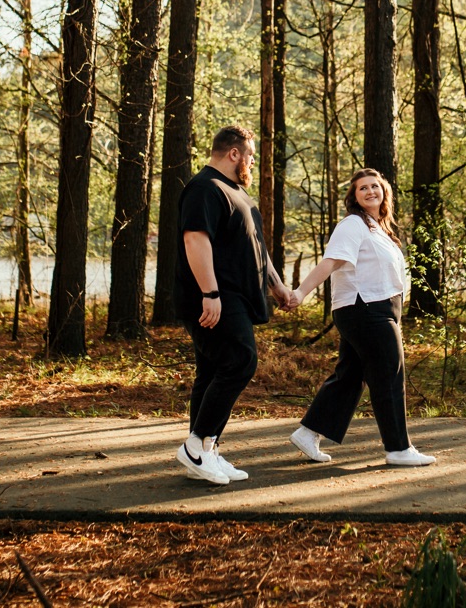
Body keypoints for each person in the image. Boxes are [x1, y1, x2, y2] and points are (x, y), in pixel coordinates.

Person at [284, 168, 436, 467]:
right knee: (389, 373)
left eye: (374, 186)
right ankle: (398, 448)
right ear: (354, 197)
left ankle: (309, 431)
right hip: (364, 308)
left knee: (351, 376)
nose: (370, 192)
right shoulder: (353, 225)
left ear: (384, 192)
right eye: (362, 188)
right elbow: (331, 262)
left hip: (378, 308)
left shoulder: (378, 229)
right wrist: (301, 293)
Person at [175, 124, 297, 485]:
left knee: (212, 372)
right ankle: (197, 445)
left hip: (236, 296)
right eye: (251, 155)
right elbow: (195, 240)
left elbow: (256, 247)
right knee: (241, 361)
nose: (253, 162)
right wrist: (210, 293)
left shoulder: (238, 194)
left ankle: (205, 452)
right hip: (216, 296)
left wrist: (276, 286)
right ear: (234, 154)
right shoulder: (204, 188)